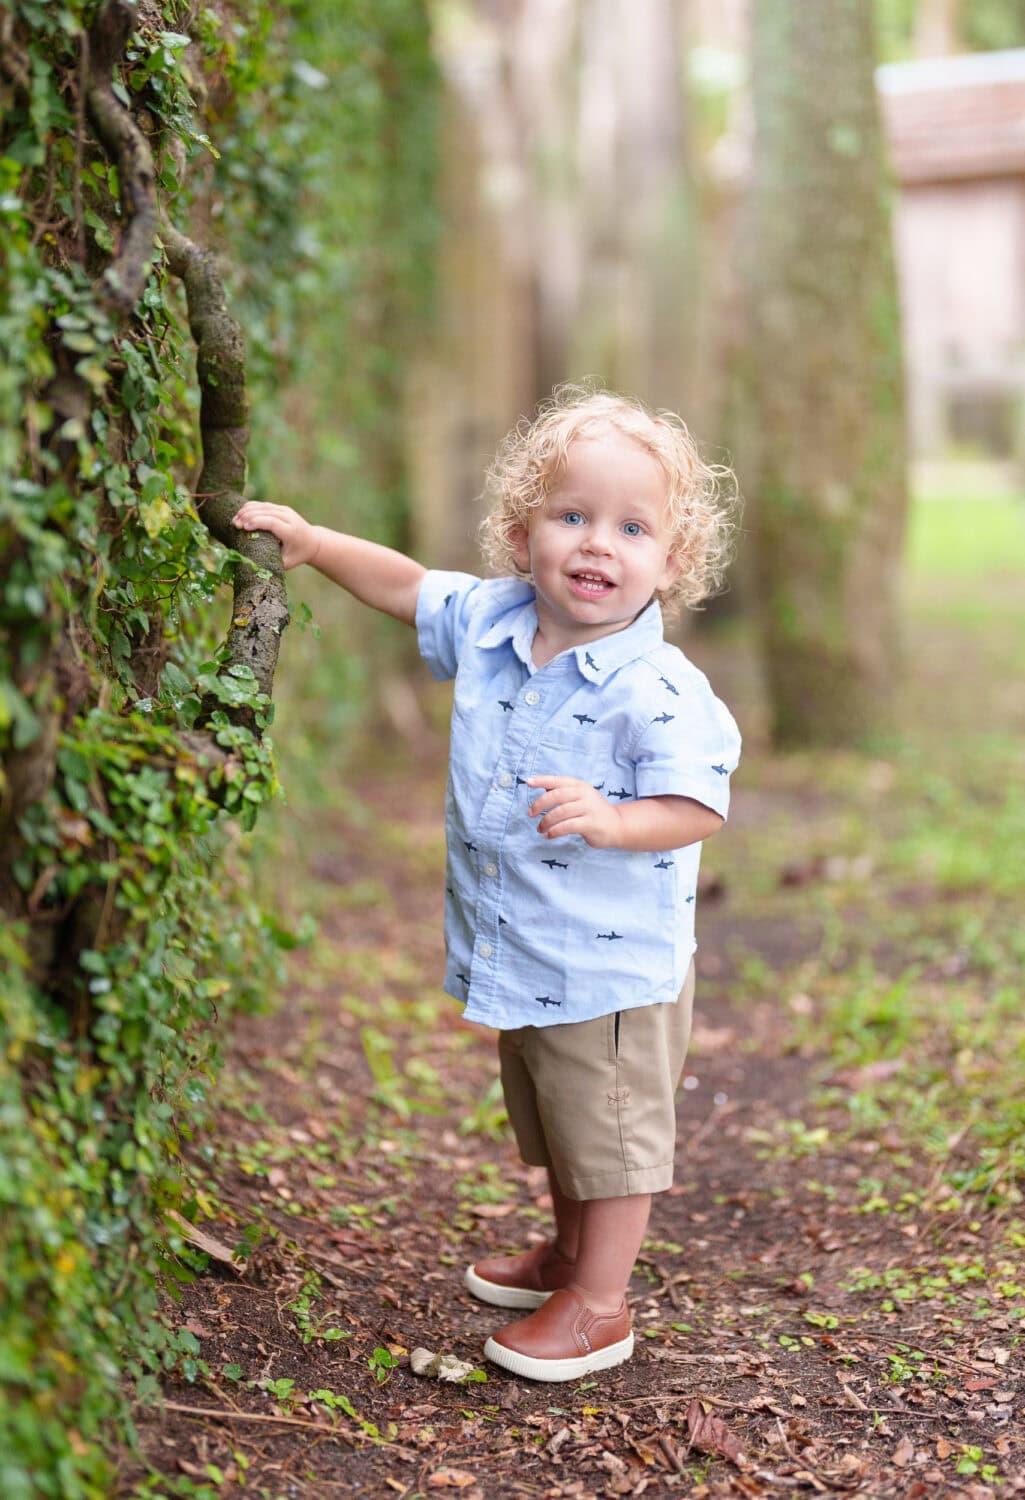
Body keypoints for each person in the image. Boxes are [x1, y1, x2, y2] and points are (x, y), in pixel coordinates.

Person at [231, 385, 741, 1383]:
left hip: (614, 974)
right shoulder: (493, 621)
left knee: (613, 1134)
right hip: (524, 946)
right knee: (555, 1117)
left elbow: (697, 807)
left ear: (669, 564)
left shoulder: (660, 690)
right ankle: (564, 1255)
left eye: (631, 528)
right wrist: (314, 542)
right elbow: (407, 586)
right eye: (572, 516)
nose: (597, 543)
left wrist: (612, 819)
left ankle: (599, 1302)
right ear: (521, 534)